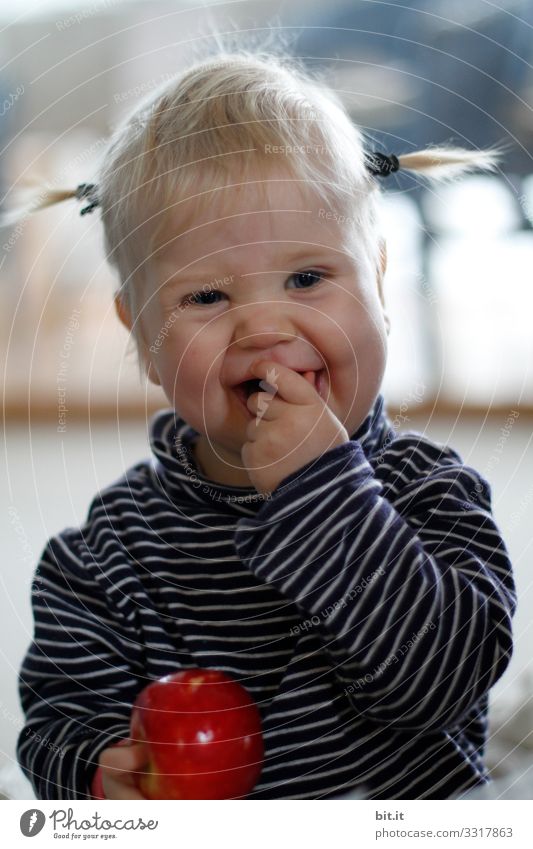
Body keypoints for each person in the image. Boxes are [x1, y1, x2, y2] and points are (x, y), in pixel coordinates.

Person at [14, 46, 516, 801]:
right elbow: (55, 726)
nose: (263, 327)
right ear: (142, 334)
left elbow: (438, 686)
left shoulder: (430, 495)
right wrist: (93, 770)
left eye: (307, 278)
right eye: (207, 296)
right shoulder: (105, 556)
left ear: (378, 280)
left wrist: (323, 493)